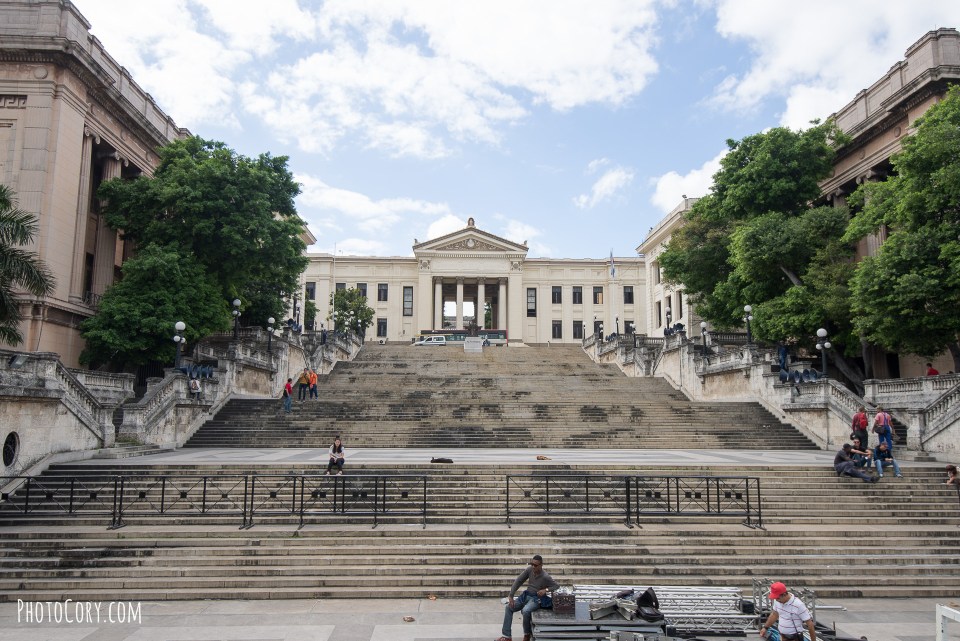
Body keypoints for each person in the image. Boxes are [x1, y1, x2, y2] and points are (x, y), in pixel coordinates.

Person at [498, 554, 560, 641]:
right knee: (509, 607)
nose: (533, 567)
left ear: (541, 565)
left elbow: (556, 586)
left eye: (535, 565)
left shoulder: (546, 576)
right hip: (526, 595)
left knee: (526, 611)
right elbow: (519, 580)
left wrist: (545, 590)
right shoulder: (529, 570)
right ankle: (507, 636)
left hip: (536, 599)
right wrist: (511, 595)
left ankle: (527, 634)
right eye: (532, 564)